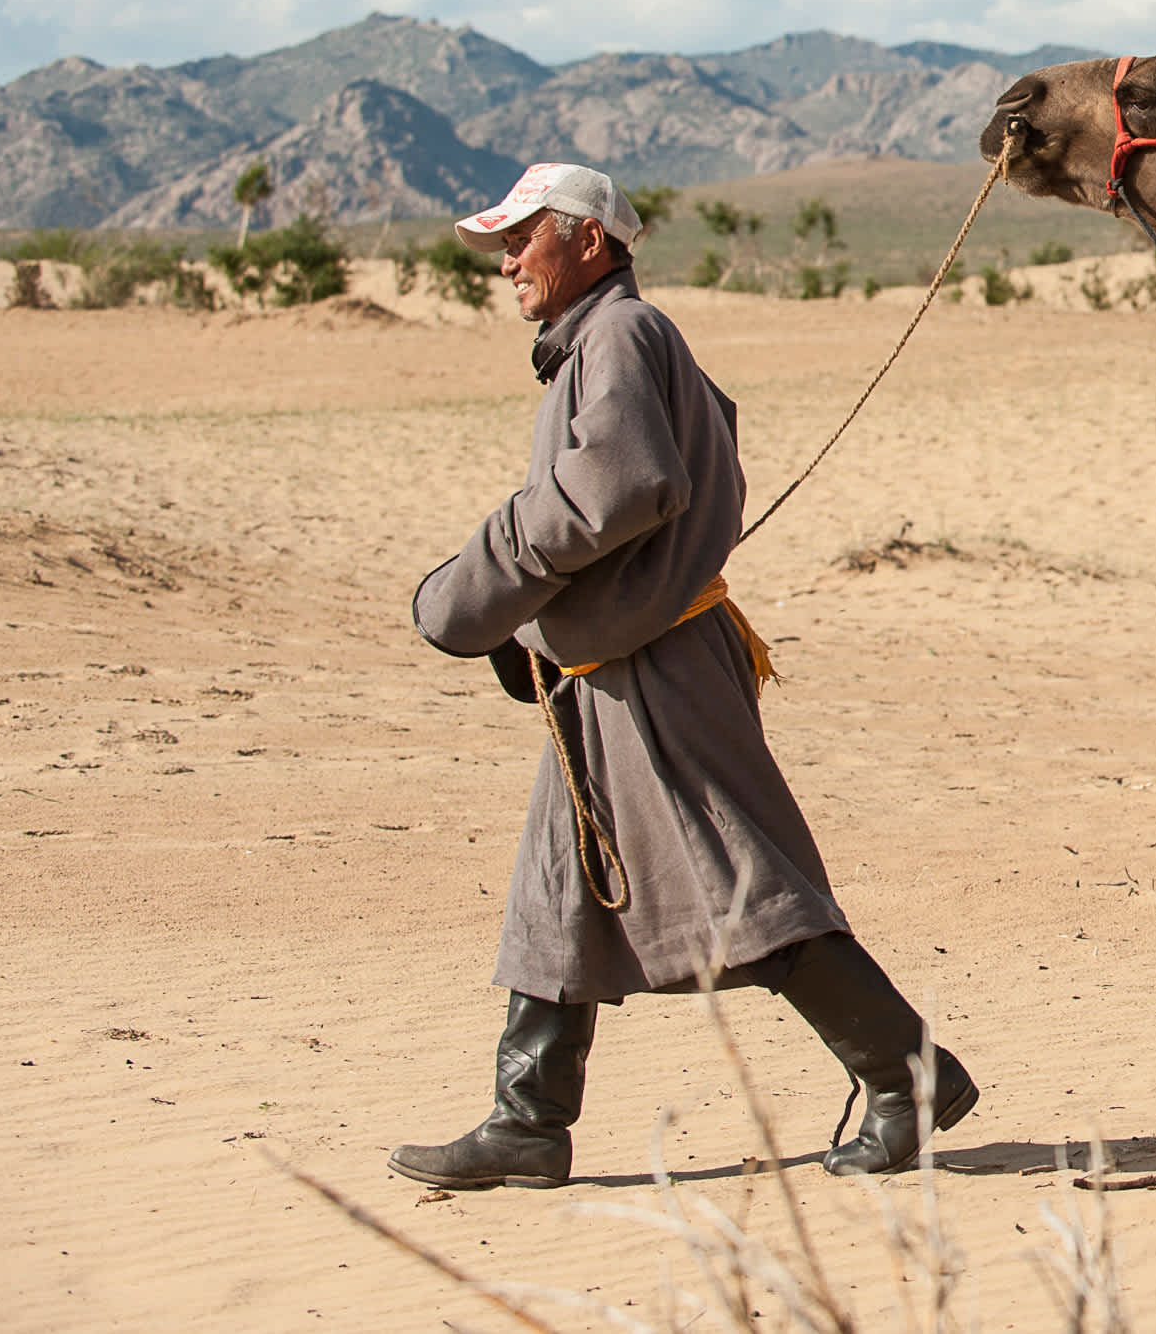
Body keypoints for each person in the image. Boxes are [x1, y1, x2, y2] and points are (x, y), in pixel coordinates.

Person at [388, 162, 977, 1190]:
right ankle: (526, 1122)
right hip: (613, 660)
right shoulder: (611, 337)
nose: (506, 260)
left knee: (742, 880)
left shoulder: (617, 335)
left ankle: (910, 1077)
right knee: (563, 880)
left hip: (655, 663)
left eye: (523, 237)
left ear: (588, 239)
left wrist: (471, 587)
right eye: (503, 242)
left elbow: (619, 487)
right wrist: (532, 622)